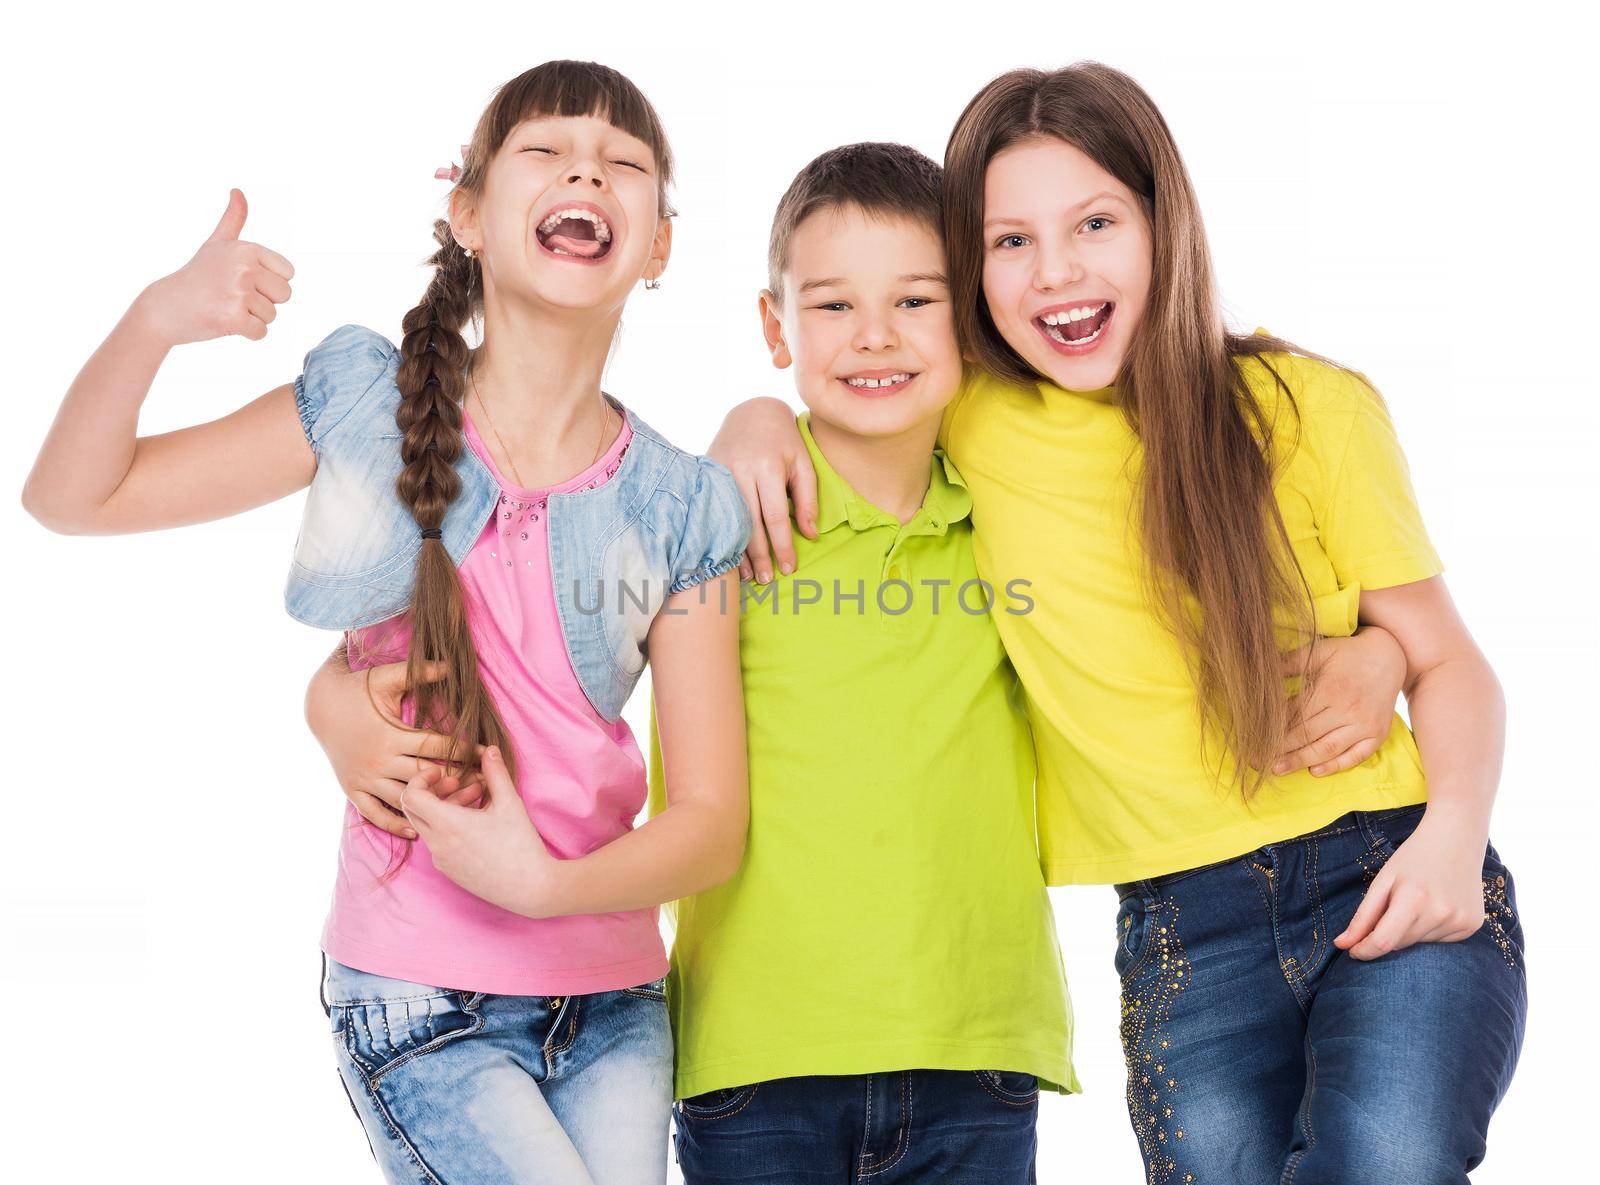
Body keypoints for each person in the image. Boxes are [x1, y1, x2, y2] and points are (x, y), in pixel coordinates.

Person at [24, 59, 751, 1185]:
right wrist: (155, 321)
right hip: (424, 993)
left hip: (615, 1001)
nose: (586, 174)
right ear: (468, 213)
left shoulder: (683, 502)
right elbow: (73, 498)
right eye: (547, 154)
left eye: (624, 166)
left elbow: (710, 820)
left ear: (658, 244)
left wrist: (545, 887)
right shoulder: (370, 406)